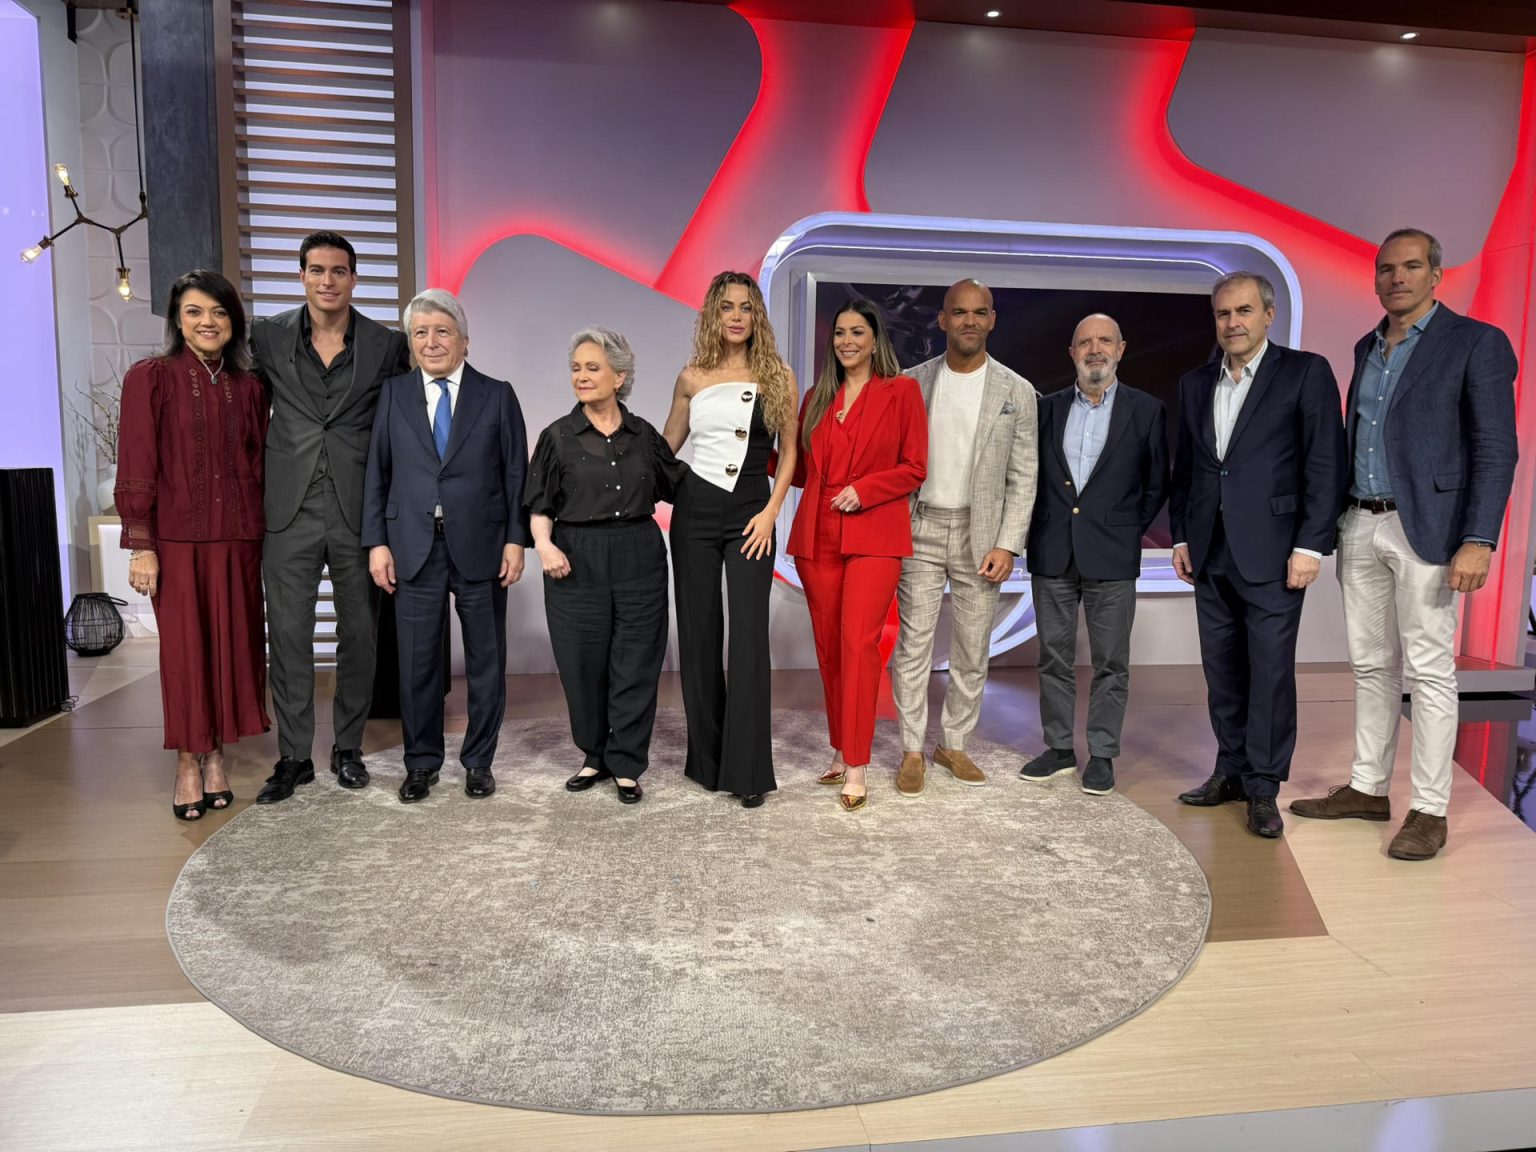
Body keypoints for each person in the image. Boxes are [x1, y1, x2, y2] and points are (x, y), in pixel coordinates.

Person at [1290, 229, 1518, 861]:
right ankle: (1367, 788)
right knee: (1369, 664)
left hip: (1430, 529)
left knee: (1428, 670)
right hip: (1360, 521)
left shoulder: (1477, 342)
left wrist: (1478, 539)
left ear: (1436, 275)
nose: (1397, 278)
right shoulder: (1368, 346)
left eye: (1411, 267)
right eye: (1386, 268)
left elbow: (1497, 449)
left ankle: (1429, 809)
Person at [1170, 271, 1347, 839]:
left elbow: (1325, 464)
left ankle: (1264, 788)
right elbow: (1187, 470)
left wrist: (1310, 544)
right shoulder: (1196, 383)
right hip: (1210, 551)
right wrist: (1180, 538)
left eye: (1244, 311)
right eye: (1223, 314)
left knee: (1268, 672)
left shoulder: (1305, 372)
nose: (1233, 323)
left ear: (1268, 315)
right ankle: (1229, 770)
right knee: (1221, 669)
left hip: (1276, 553)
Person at [251, 231, 411, 804]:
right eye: (316, 270)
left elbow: (405, 422)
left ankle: (348, 748)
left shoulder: (386, 344)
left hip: (357, 507)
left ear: (353, 279)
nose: (327, 280)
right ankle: (294, 756)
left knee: (360, 634)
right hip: (287, 507)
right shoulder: (266, 337)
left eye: (338, 271)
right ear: (301, 276)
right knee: (288, 635)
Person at [361, 290, 531, 803]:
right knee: (417, 664)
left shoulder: (497, 394)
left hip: (480, 545)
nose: (430, 342)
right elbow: (377, 473)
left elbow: (515, 473)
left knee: (485, 661)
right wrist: (377, 543)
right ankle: (421, 764)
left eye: (441, 331)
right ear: (410, 343)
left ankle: (479, 762)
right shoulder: (392, 394)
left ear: (463, 340)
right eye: (419, 333)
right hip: (411, 546)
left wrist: (515, 539)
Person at [116, 270, 270, 819]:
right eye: (195, 312)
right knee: (185, 656)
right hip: (176, 543)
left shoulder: (251, 387)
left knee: (232, 651)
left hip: (239, 541)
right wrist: (141, 544)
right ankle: (187, 761)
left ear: (234, 322)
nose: (208, 322)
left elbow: (258, 464)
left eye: (219, 313)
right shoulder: (150, 378)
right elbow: (136, 461)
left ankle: (216, 758)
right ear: (178, 321)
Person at [526, 327, 687, 806]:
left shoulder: (644, 436)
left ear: (620, 376)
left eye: (592, 367)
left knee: (637, 661)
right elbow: (538, 505)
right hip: (575, 556)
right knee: (583, 663)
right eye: (576, 367)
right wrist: (544, 546)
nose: (581, 376)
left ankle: (626, 763)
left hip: (639, 552)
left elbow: (681, 487)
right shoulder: (555, 436)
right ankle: (594, 755)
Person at [889, 278, 1037, 795]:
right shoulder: (909, 382)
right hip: (920, 527)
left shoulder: (1018, 392)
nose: (969, 320)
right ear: (943, 319)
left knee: (973, 650)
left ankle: (953, 745)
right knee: (913, 646)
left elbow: (1024, 476)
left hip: (983, 536)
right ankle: (912, 749)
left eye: (980, 312)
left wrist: (1008, 542)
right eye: (959, 311)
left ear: (992, 319)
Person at [662, 272, 799, 809]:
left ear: (756, 314)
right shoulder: (692, 377)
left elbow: (789, 454)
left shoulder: (778, 375)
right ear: (713, 316)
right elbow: (667, 446)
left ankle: (746, 769)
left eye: (745, 306)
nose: (736, 316)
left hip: (750, 510)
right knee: (697, 635)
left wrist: (770, 513)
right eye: (726, 307)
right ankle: (707, 760)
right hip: (694, 509)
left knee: (747, 637)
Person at [788, 299, 928, 811]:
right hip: (816, 537)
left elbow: (915, 467)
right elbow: (799, 470)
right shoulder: (815, 398)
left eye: (858, 332)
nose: (847, 341)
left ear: (875, 339)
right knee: (829, 648)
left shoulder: (902, 392)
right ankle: (839, 748)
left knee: (858, 645)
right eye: (840, 333)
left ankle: (858, 762)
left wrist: (866, 489)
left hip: (873, 536)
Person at [1021, 314, 1168, 795]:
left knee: (1111, 663)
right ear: (1072, 354)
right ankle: (1060, 749)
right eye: (1085, 342)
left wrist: (1124, 530)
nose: (1095, 349)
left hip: (1113, 555)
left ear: (1121, 349)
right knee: (1053, 658)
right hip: (1052, 551)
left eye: (1104, 340)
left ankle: (1102, 754)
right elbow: (1030, 478)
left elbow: (1156, 484)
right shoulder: (1046, 409)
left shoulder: (1146, 410)